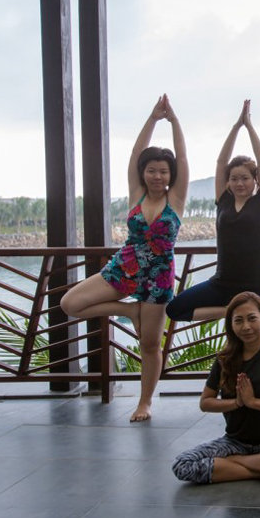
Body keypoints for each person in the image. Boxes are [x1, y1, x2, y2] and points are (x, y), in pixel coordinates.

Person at [62, 95, 188, 422]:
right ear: (143, 173)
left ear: (170, 175)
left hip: (158, 278)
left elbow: (183, 158)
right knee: (70, 304)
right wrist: (152, 117)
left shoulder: (175, 199)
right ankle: (127, 310)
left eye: (163, 171)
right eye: (151, 171)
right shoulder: (137, 194)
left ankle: (145, 403)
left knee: (149, 346)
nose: (157, 176)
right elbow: (134, 154)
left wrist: (174, 122)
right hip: (124, 267)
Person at [172, 292, 260, 485]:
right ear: (231, 325)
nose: (246, 326)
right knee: (182, 465)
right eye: (238, 321)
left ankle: (231, 465)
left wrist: (253, 403)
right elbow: (205, 403)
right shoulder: (224, 360)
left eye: (252, 318)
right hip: (235, 442)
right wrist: (236, 403)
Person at [166, 99, 260, 324]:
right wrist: (236, 127)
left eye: (245, 178)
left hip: (255, 284)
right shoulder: (223, 201)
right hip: (222, 283)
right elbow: (221, 161)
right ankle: (232, 311)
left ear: (255, 181)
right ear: (228, 182)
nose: (239, 183)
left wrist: (250, 126)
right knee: (175, 309)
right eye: (234, 178)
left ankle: (238, 313)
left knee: (258, 340)